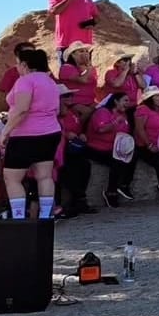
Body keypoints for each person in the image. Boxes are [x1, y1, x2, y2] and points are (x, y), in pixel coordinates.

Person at [0, 49, 60, 220]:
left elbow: (22, 109)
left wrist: (5, 133)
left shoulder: (25, 81)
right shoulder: (50, 82)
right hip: (50, 132)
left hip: (25, 134)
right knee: (44, 176)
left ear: (25, 64)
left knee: (12, 178)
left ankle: (18, 217)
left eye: (18, 63)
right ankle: (46, 217)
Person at [85, 92, 136, 208]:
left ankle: (123, 185)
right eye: (125, 100)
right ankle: (111, 191)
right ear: (116, 101)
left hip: (113, 148)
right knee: (116, 162)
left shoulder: (124, 115)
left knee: (132, 156)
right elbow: (101, 129)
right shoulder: (102, 112)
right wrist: (114, 122)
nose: (128, 103)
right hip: (95, 147)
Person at [56, 83, 93, 217]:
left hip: (74, 147)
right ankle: (72, 203)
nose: (70, 97)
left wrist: (81, 133)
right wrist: (66, 134)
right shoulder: (56, 113)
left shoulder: (71, 111)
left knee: (84, 167)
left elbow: (79, 125)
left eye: (71, 95)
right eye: (66, 95)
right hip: (62, 148)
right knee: (70, 171)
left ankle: (79, 200)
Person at [47, 0, 98, 64]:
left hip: (84, 45)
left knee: (86, 72)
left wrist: (92, 23)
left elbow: (96, 16)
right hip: (66, 44)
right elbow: (55, 11)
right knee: (67, 74)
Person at [58, 41, 98, 122]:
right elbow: (82, 80)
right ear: (73, 55)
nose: (85, 54)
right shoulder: (66, 67)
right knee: (87, 112)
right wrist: (89, 68)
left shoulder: (88, 69)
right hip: (74, 102)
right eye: (81, 51)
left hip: (90, 101)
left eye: (86, 51)